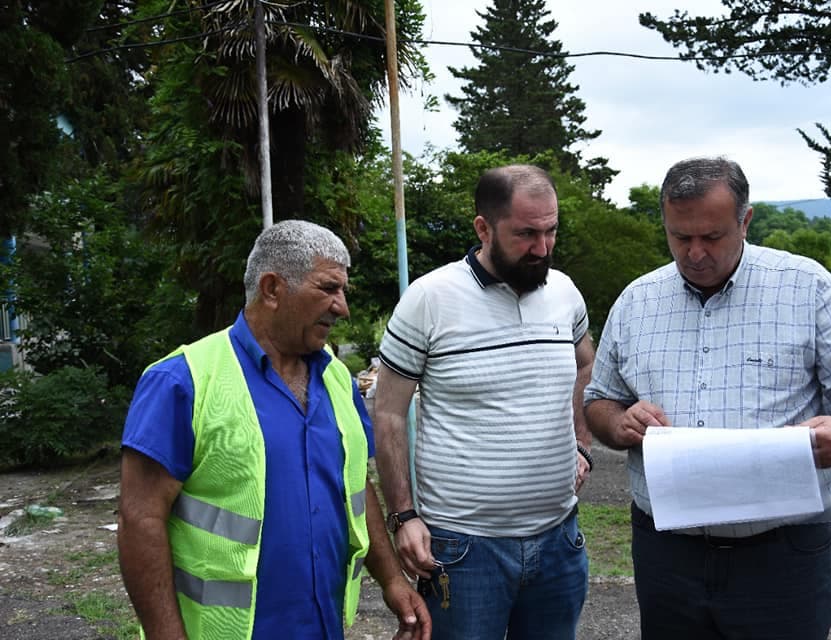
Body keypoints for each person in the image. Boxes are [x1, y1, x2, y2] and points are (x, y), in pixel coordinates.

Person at [584, 156, 831, 640]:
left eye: (711, 237)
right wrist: (617, 421)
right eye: (679, 236)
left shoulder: (806, 287)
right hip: (667, 555)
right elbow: (600, 399)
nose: (694, 253)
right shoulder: (636, 302)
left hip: (782, 557)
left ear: (745, 220)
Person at [117, 220, 430, 640]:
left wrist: (391, 579)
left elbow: (356, 490)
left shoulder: (337, 380)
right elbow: (141, 519)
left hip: (322, 627)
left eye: (343, 291)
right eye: (328, 288)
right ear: (272, 289)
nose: (342, 307)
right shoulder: (183, 380)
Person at [373, 164, 595, 640]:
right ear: (483, 228)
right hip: (462, 551)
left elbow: (585, 364)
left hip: (559, 539)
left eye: (550, 231)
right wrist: (404, 517)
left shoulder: (565, 293)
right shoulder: (429, 299)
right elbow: (388, 412)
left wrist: (582, 443)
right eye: (526, 234)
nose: (542, 248)